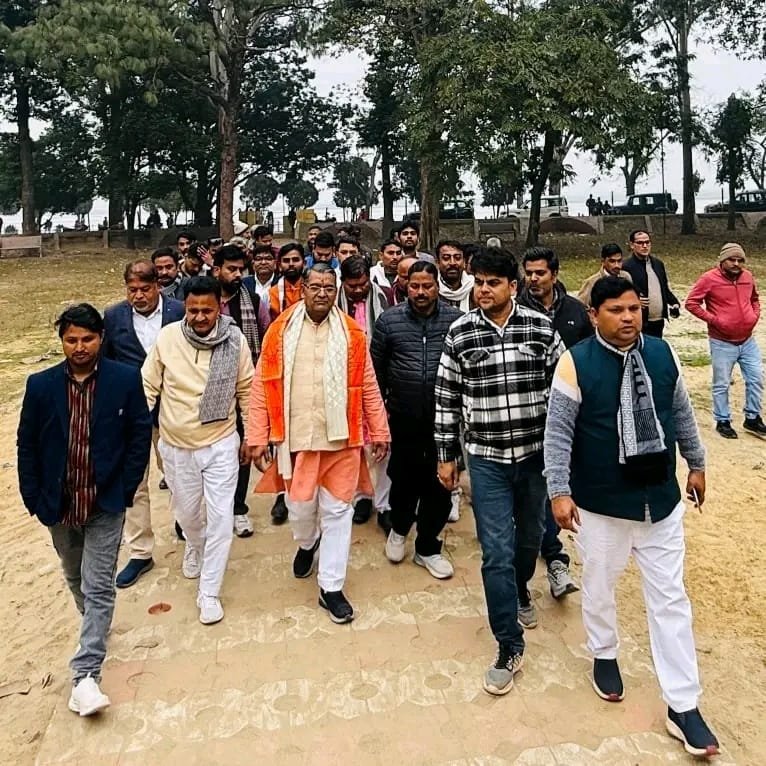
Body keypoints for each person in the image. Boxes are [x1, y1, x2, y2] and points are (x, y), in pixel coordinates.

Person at [544, 276, 719, 758]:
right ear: (594, 314)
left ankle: (683, 705)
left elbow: (680, 413)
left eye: (634, 309)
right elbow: (558, 433)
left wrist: (696, 462)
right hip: (601, 505)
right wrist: (559, 491)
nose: (628, 318)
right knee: (600, 585)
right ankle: (604, 652)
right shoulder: (576, 362)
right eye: (616, 310)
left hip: (660, 500)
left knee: (671, 599)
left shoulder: (662, 354)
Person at [434, 246, 564, 695]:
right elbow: (447, 398)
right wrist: (446, 455)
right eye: (479, 283)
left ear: (513, 286)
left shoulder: (541, 329)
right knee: (495, 551)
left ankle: (521, 587)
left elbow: (563, 394)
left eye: (493, 283)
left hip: (534, 458)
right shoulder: (461, 332)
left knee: (529, 538)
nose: (484, 290)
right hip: (485, 459)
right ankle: (509, 643)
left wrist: (564, 457)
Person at [17, 304, 152, 716]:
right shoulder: (40, 385)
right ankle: (94, 623)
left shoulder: (124, 379)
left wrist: (126, 486)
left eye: (88, 339)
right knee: (75, 576)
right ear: (61, 341)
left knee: (99, 585)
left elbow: (138, 435)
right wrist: (33, 496)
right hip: (58, 504)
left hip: (104, 502)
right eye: (71, 339)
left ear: (101, 339)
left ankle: (85, 676)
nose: (79, 347)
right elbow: (27, 443)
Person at [248, 263, 390, 623]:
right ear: (304, 289)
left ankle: (331, 587)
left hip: (341, 441)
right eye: (316, 287)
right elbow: (262, 385)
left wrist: (380, 430)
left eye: (329, 287)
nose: (322, 293)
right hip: (295, 440)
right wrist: (257, 436)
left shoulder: (352, 333)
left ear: (335, 290)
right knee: (300, 509)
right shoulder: (280, 331)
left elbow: (368, 384)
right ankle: (307, 542)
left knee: (338, 512)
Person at [142, 276, 254, 625]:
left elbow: (247, 390)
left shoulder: (235, 340)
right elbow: (147, 386)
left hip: (220, 442)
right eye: (194, 310)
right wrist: (134, 430)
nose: (201, 317)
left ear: (220, 307)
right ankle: (194, 544)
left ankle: (209, 591)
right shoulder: (167, 338)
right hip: (176, 445)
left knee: (220, 519)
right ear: (184, 308)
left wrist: (251, 435)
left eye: (208, 310)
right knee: (188, 515)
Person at [372, 262, 463, 578]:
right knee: (403, 481)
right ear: (405, 286)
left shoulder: (456, 321)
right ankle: (399, 530)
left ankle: (427, 547)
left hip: (444, 421)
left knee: (440, 485)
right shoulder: (389, 321)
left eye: (427, 286)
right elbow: (376, 373)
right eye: (415, 286)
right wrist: (378, 417)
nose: (421, 292)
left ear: (437, 286)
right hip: (403, 418)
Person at [102, 260, 185, 587]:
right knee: (133, 482)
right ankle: (140, 552)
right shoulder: (113, 316)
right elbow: (106, 362)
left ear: (158, 286)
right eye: (132, 289)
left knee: (177, 473)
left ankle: (186, 525)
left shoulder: (179, 311)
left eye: (145, 289)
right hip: (129, 413)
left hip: (173, 411)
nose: (138, 296)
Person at [516, 246, 592, 599]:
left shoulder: (575, 312)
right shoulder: (514, 311)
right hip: (528, 418)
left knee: (555, 487)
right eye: (529, 273)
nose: (533, 279)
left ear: (554, 275)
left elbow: (589, 358)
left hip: (568, 417)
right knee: (536, 494)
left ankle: (554, 557)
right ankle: (551, 559)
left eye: (540, 273)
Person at [213, 245, 271, 537]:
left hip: (245, 388)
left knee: (244, 449)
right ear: (217, 270)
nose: (237, 275)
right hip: (207, 391)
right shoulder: (202, 300)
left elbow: (266, 340)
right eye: (231, 269)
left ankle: (238, 509)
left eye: (241, 270)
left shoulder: (254, 301)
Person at [685, 242, 766, 439]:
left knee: (756, 378)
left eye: (740, 260)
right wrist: (715, 320)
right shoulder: (709, 278)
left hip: (747, 341)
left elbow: (754, 298)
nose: (736, 264)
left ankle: (752, 418)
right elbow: (691, 303)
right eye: (732, 260)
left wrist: (754, 315)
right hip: (722, 342)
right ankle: (723, 420)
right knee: (721, 384)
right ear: (722, 260)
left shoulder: (747, 277)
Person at [337, 256, 392, 526]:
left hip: (379, 381)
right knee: (354, 445)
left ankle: (384, 503)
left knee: (383, 443)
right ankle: (361, 497)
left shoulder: (385, 296)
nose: (359, 290)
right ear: (342, 283)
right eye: (352, 286)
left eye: (363, 284)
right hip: (344, 384)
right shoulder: (333, 304)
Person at [622, 230, 680, 338]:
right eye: (640, 243)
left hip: (658, 321)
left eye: (647, 242)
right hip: (638, 320)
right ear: (632, 245)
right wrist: (634, 301)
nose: (644, 246)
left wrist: (674, 303)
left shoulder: (658, 264)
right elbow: (620, 294)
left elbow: (664, 288)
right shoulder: (626, 267)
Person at [269, 243, 306, 320]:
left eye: (295, 260)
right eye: (286, 261)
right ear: (279, 266)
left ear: (304, 263)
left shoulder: (312, 289)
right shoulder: (273, 293)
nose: (291, 264)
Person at [436, 240, 474, 312]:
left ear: (464, 262)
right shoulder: (431, 287)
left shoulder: (474, 287)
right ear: (437, 262)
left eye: (457, 258)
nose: (452, 263)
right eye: (446, 258)